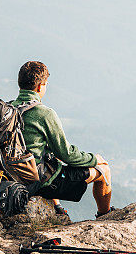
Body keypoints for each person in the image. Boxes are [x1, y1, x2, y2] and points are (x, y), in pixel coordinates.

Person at [12, 60, 113, 216]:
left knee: (48, 158)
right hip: (37, 183)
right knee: (104, 171)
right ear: (40, 86)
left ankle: (57, 208)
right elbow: (66, 154)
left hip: (11, 177)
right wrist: (94, 159)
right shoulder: (43, 113)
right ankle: (105, 215)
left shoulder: (8, 110)